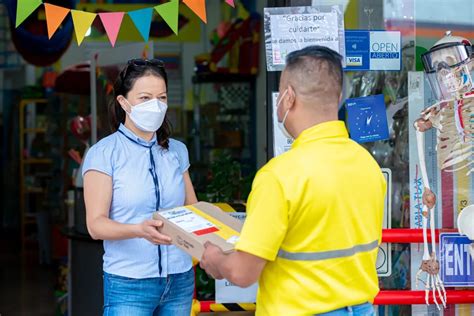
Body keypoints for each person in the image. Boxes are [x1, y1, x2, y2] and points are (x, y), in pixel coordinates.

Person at [200, 46, 386, 316]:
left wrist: (215, 259)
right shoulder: (367, 164)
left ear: (288, 97)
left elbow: (242, 273)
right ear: (339, 96)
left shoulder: (279, 176)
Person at [83, 58, 197, 316]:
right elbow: (95, 225)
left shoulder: (177, 151)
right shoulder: (104, 154)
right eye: (145, 98)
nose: (155, 106)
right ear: (124, 102)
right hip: (129, 283)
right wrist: (138, 230)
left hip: (180, 278)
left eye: (162, 97)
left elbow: (193, 209)